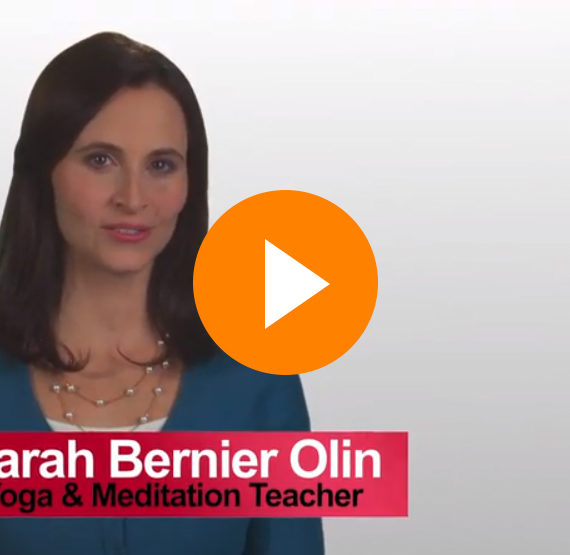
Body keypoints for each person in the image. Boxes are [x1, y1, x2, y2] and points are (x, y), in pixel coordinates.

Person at [0, 31, 324, 554]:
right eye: (100, 160)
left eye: (161, 165)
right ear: (43, 173)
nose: (133, 198)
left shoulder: (257, 380)